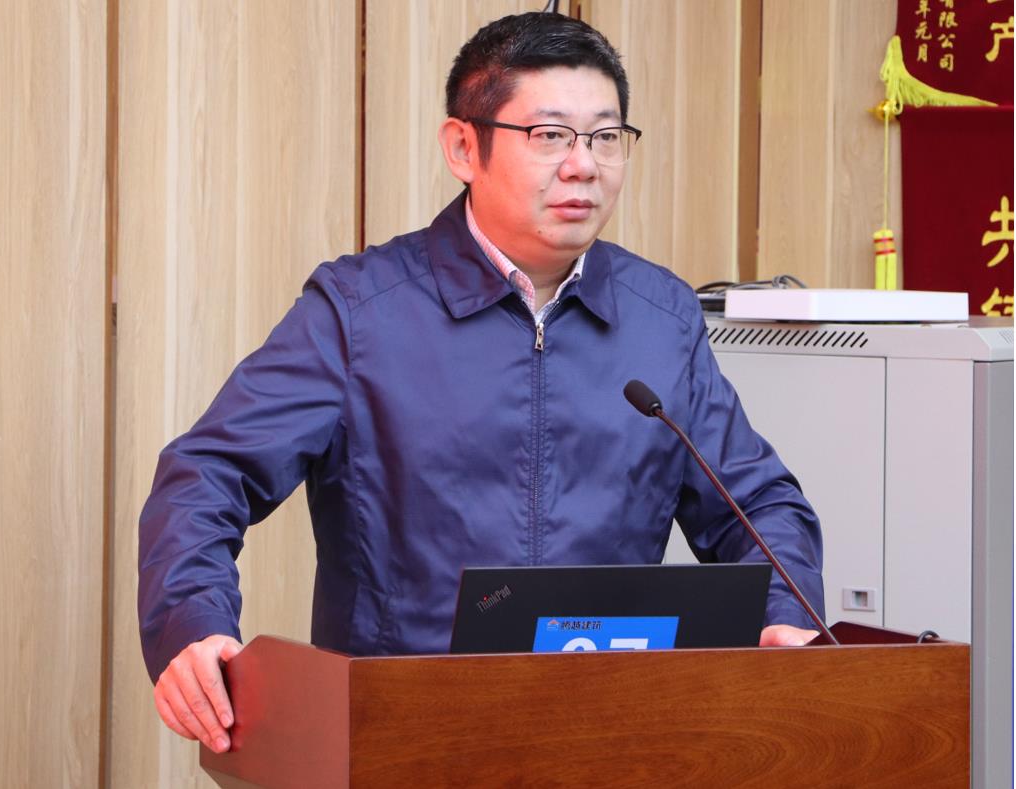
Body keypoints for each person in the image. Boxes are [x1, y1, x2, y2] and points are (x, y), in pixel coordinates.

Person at [140, 11, 825, 755]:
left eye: (605, 137)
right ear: (464, 147)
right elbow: (207, 475)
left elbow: (757, 502)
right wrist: (193, 623)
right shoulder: (359, 312)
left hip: (611, 732)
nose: (583, 165)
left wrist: (784, 616)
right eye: (550, 135)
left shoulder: (663, 319)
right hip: (399, 734)